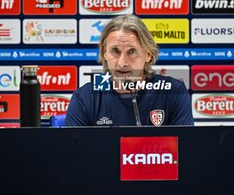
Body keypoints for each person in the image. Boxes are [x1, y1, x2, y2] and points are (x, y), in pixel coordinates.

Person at [66, 14, 194, 126]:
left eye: (131, 52)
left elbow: (184, 150)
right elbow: (74, 153)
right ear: (105, 53)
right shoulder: (85, 97)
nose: (122, 63)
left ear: (148, 54)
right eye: (115, 51)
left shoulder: (174, 92)